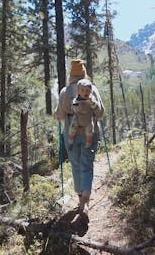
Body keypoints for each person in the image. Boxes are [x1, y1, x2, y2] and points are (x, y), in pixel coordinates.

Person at [55, 59, 105, 213]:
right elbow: (101, 113)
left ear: (71, 75)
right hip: (90, 132)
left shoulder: (65, 91)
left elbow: (60, 116)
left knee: (76, 164)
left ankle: (80, 196)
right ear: (84, 74)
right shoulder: (92, 89)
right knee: (87, 164)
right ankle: (86, 196)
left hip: (72, 133)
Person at [68, 78, 99, 150]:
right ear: (78, 91)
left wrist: (91, 102)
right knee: (72, 128)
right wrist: (77, 108)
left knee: (90, 131)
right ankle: (70, 142)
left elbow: (95, 107)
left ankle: (88, 145)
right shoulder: (76, 100)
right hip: (78, 118)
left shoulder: (91, 99)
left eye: (87, 90)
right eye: (82, 90)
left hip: (88, 118)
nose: (85, 92)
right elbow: (72, 108)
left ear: (90, 91)